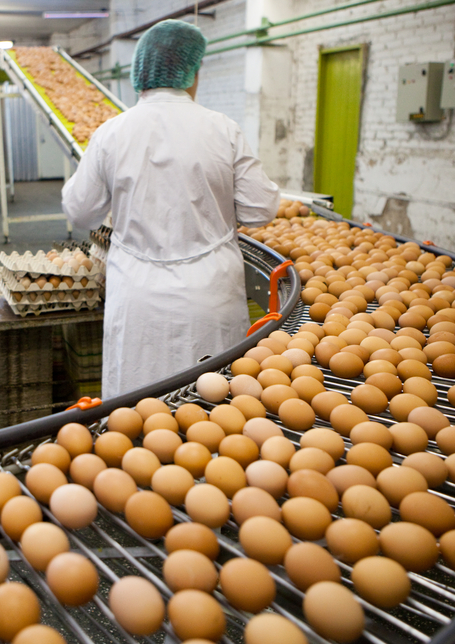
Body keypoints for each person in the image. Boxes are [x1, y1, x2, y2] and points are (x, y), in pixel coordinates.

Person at [62, 19, 280, 398]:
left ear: (140, 72)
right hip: (209, 295)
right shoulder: (224, 130)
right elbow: (261, 208)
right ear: (192, 72)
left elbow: (80, 211)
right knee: (212, 407)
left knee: (137, 410)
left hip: (139, 296)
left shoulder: (112, 132)